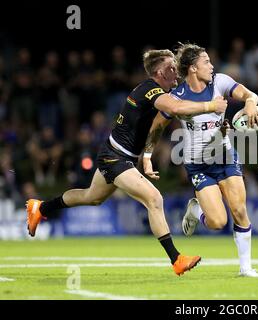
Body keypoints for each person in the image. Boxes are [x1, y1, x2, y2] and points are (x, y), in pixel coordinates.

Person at [26, 49, 228, 276]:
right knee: (154, 199)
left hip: (115, 153)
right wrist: (211, 106)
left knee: (91, 197)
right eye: (172, 67)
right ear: (161, 71)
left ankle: (40, 207)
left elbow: (160, 125)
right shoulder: (151, 89)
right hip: (117, 157)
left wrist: (149, 156)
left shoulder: (156, 91)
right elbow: (176, 108)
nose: (176, 71)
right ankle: (176, 259)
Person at [146, 43, 258, 277]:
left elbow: (249, 94)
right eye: (206, 62)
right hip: (199, 164)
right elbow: (157, 127)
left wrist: (250, 104)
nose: (211, 66)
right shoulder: (177, 97)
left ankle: (246, 268)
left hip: (225, 157)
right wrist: (148, 155)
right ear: (192, 68)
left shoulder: (220, 82)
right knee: (218, 222)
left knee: (240, 210)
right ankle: (197, 211)